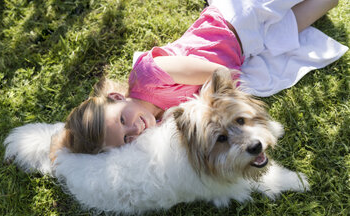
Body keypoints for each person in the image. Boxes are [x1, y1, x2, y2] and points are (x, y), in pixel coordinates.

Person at [50, 0, 347, 160]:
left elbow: (215, 72)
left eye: (124, 119)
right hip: (251, 48)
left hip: (236, 21)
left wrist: (226, 95)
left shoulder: (149, 74)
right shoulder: (164, 120)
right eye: (128, 139)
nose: (135, 130)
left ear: (117, 98)